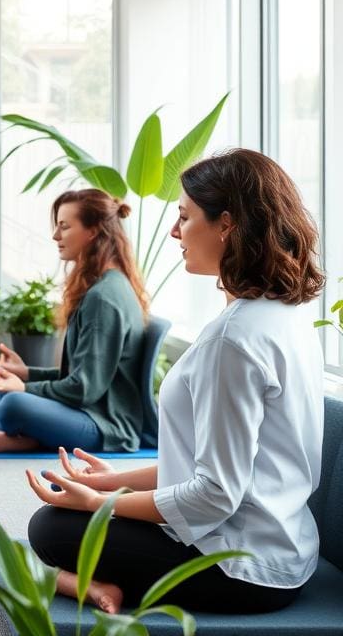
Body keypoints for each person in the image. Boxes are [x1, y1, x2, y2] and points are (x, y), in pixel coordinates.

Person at [26, 149, 325, 615]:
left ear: (225, 225)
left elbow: (214, 495)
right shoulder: (283, 315)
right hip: (283, 550)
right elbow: (214, 467)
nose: (173, 231)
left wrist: (98, 505)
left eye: (184, 217)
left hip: (243, 568)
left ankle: (90, 582)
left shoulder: (235, 340)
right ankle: (91, 581)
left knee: (50, 528)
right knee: (62, 520)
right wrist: (112, 483)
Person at [0, 188, 148, 453]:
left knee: (15, 403)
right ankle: (23, 435)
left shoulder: (103, 298)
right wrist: (25, 373)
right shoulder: (104, 286)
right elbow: (80, 374)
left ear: (93, 231)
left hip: (103, 425)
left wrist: (24, 387)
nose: (55, 236)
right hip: (85, 410)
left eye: (64, 227)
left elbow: (84, 389)